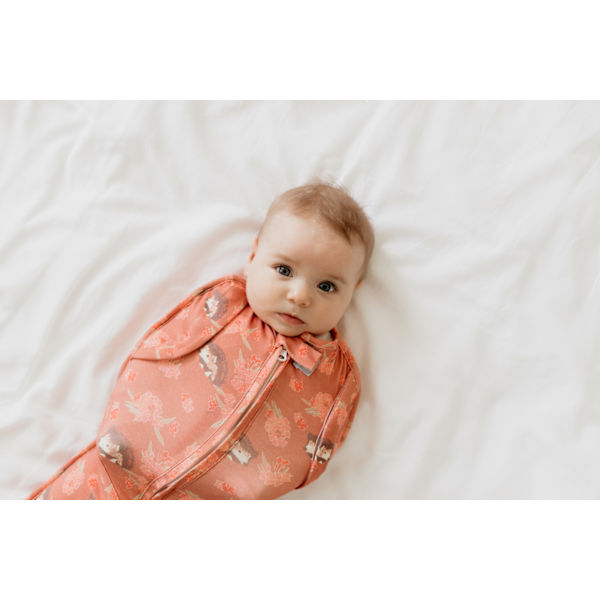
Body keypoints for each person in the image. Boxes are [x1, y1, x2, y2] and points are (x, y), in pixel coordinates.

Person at [28, 182, 375, 500]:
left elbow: (315, 454)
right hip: (115, 467)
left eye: (326, 286)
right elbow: (157, 351)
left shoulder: (336, 376)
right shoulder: (226, 305)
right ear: (253, 258)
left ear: (353, 292)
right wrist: (124, 431)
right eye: (284, 270)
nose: (300, 296)